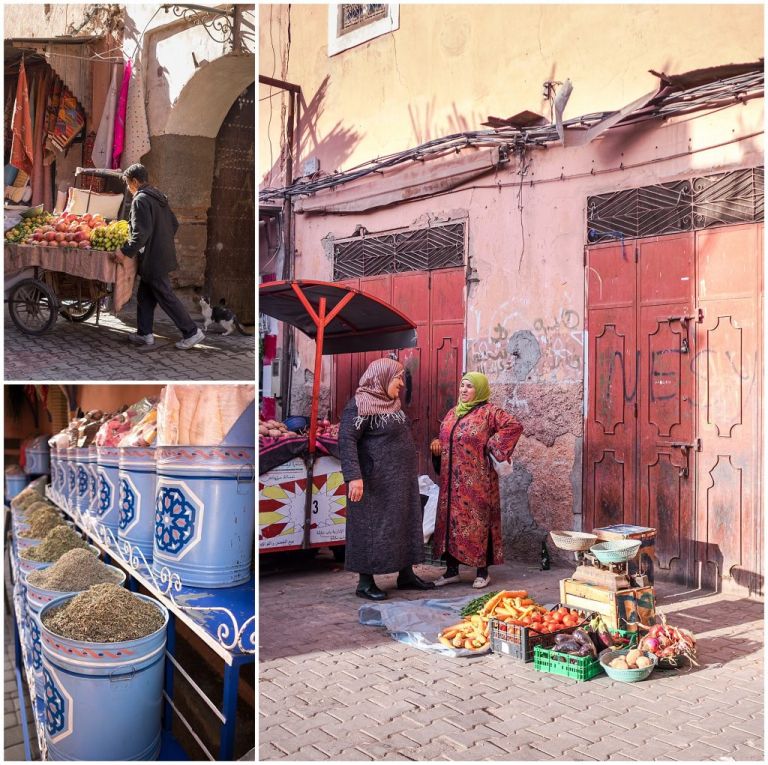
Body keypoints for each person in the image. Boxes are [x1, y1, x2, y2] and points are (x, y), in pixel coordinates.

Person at [339, 358, 435, 600]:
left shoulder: (391, 404)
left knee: (404, 523)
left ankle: (406, 575)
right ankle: (365, 583)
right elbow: (347, 440)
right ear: (380, 378)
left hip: (400, 481)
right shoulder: (360, 406)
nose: (401, 383)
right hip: (374, 483)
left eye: (402, 377)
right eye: (397, 378)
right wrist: (354, 477)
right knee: (371, 529)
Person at [430, 372, 523, 589]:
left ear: (479, 389)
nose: (464, 390)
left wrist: (492, 444)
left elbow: (514, 426)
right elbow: (446, 439)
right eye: (462, 385)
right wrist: (436, 444)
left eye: (469, 386)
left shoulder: (489, 413)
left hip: (478, 482)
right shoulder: (452, 413)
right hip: (451, 484)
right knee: (451, 526)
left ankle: (482, 572)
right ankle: (451, 571)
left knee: (479, 524)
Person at [112, 163, 204, 350]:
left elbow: (140, 234)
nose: (129, 189)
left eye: (129, 184)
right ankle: (144, 334)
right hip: (162, 255)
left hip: (153, 258)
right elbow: (174, 224)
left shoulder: (141, 200)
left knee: (165, 296)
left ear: (135, 181)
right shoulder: (158, 197)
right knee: (145, 296)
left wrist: (125, 251)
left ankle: (192, 332)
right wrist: (161, 240)